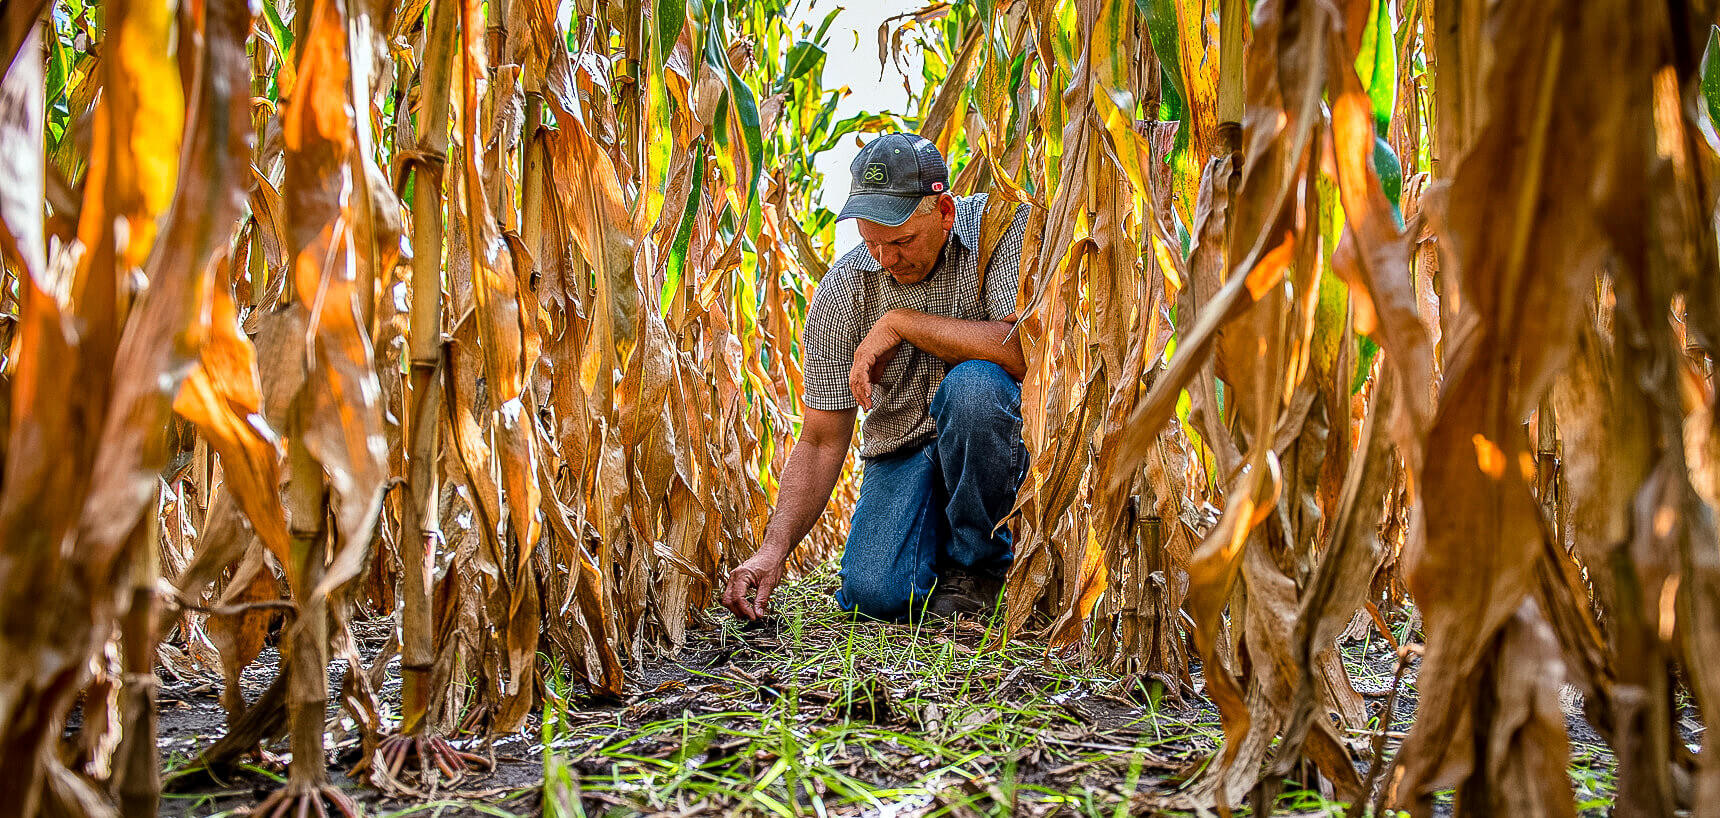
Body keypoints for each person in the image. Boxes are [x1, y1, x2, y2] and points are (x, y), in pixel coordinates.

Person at [721, 133, 1031, 623]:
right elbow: (821, 440)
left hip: (989, 442)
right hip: (901, 450)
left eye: (902, 241)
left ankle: (979, 568)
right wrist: (773, 549)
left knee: (975, 388)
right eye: (872, 242)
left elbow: (1021, 350)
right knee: (874, 594)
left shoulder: (1001, 229)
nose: (887, 260)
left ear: (945, 212)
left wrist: (900, 323)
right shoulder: (842, 293)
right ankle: (937, 552)